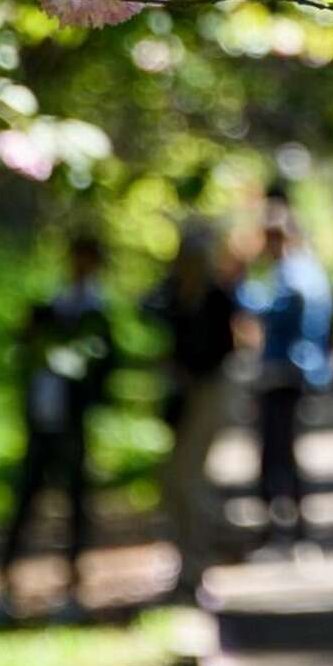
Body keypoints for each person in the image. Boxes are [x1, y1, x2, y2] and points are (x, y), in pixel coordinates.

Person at [0, 233, 116, 623]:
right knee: (27, 497)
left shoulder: (97, 313)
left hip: (72, 422)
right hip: (42, 418)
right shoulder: (52, 304)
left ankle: (72, 589)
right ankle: (5, 588)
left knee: (75, 502)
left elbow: (106, 370)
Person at [145, 223, 241, 596]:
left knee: (191, 478)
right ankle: (186, 558)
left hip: (210, 392)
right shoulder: (172, 295)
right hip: (183, 396)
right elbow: (147, 308)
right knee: (173, 480)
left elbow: (221, 351)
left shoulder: (217, 296)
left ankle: (200, 560)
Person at [239, 211, 333, 548]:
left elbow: (272, 310)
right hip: (299, 371)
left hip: (285, 372)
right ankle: (292, 522)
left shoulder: (294, 275)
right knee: (284, 447)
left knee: (276, 449)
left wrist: (241, 286)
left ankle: (282, 524)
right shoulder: (308, 270)